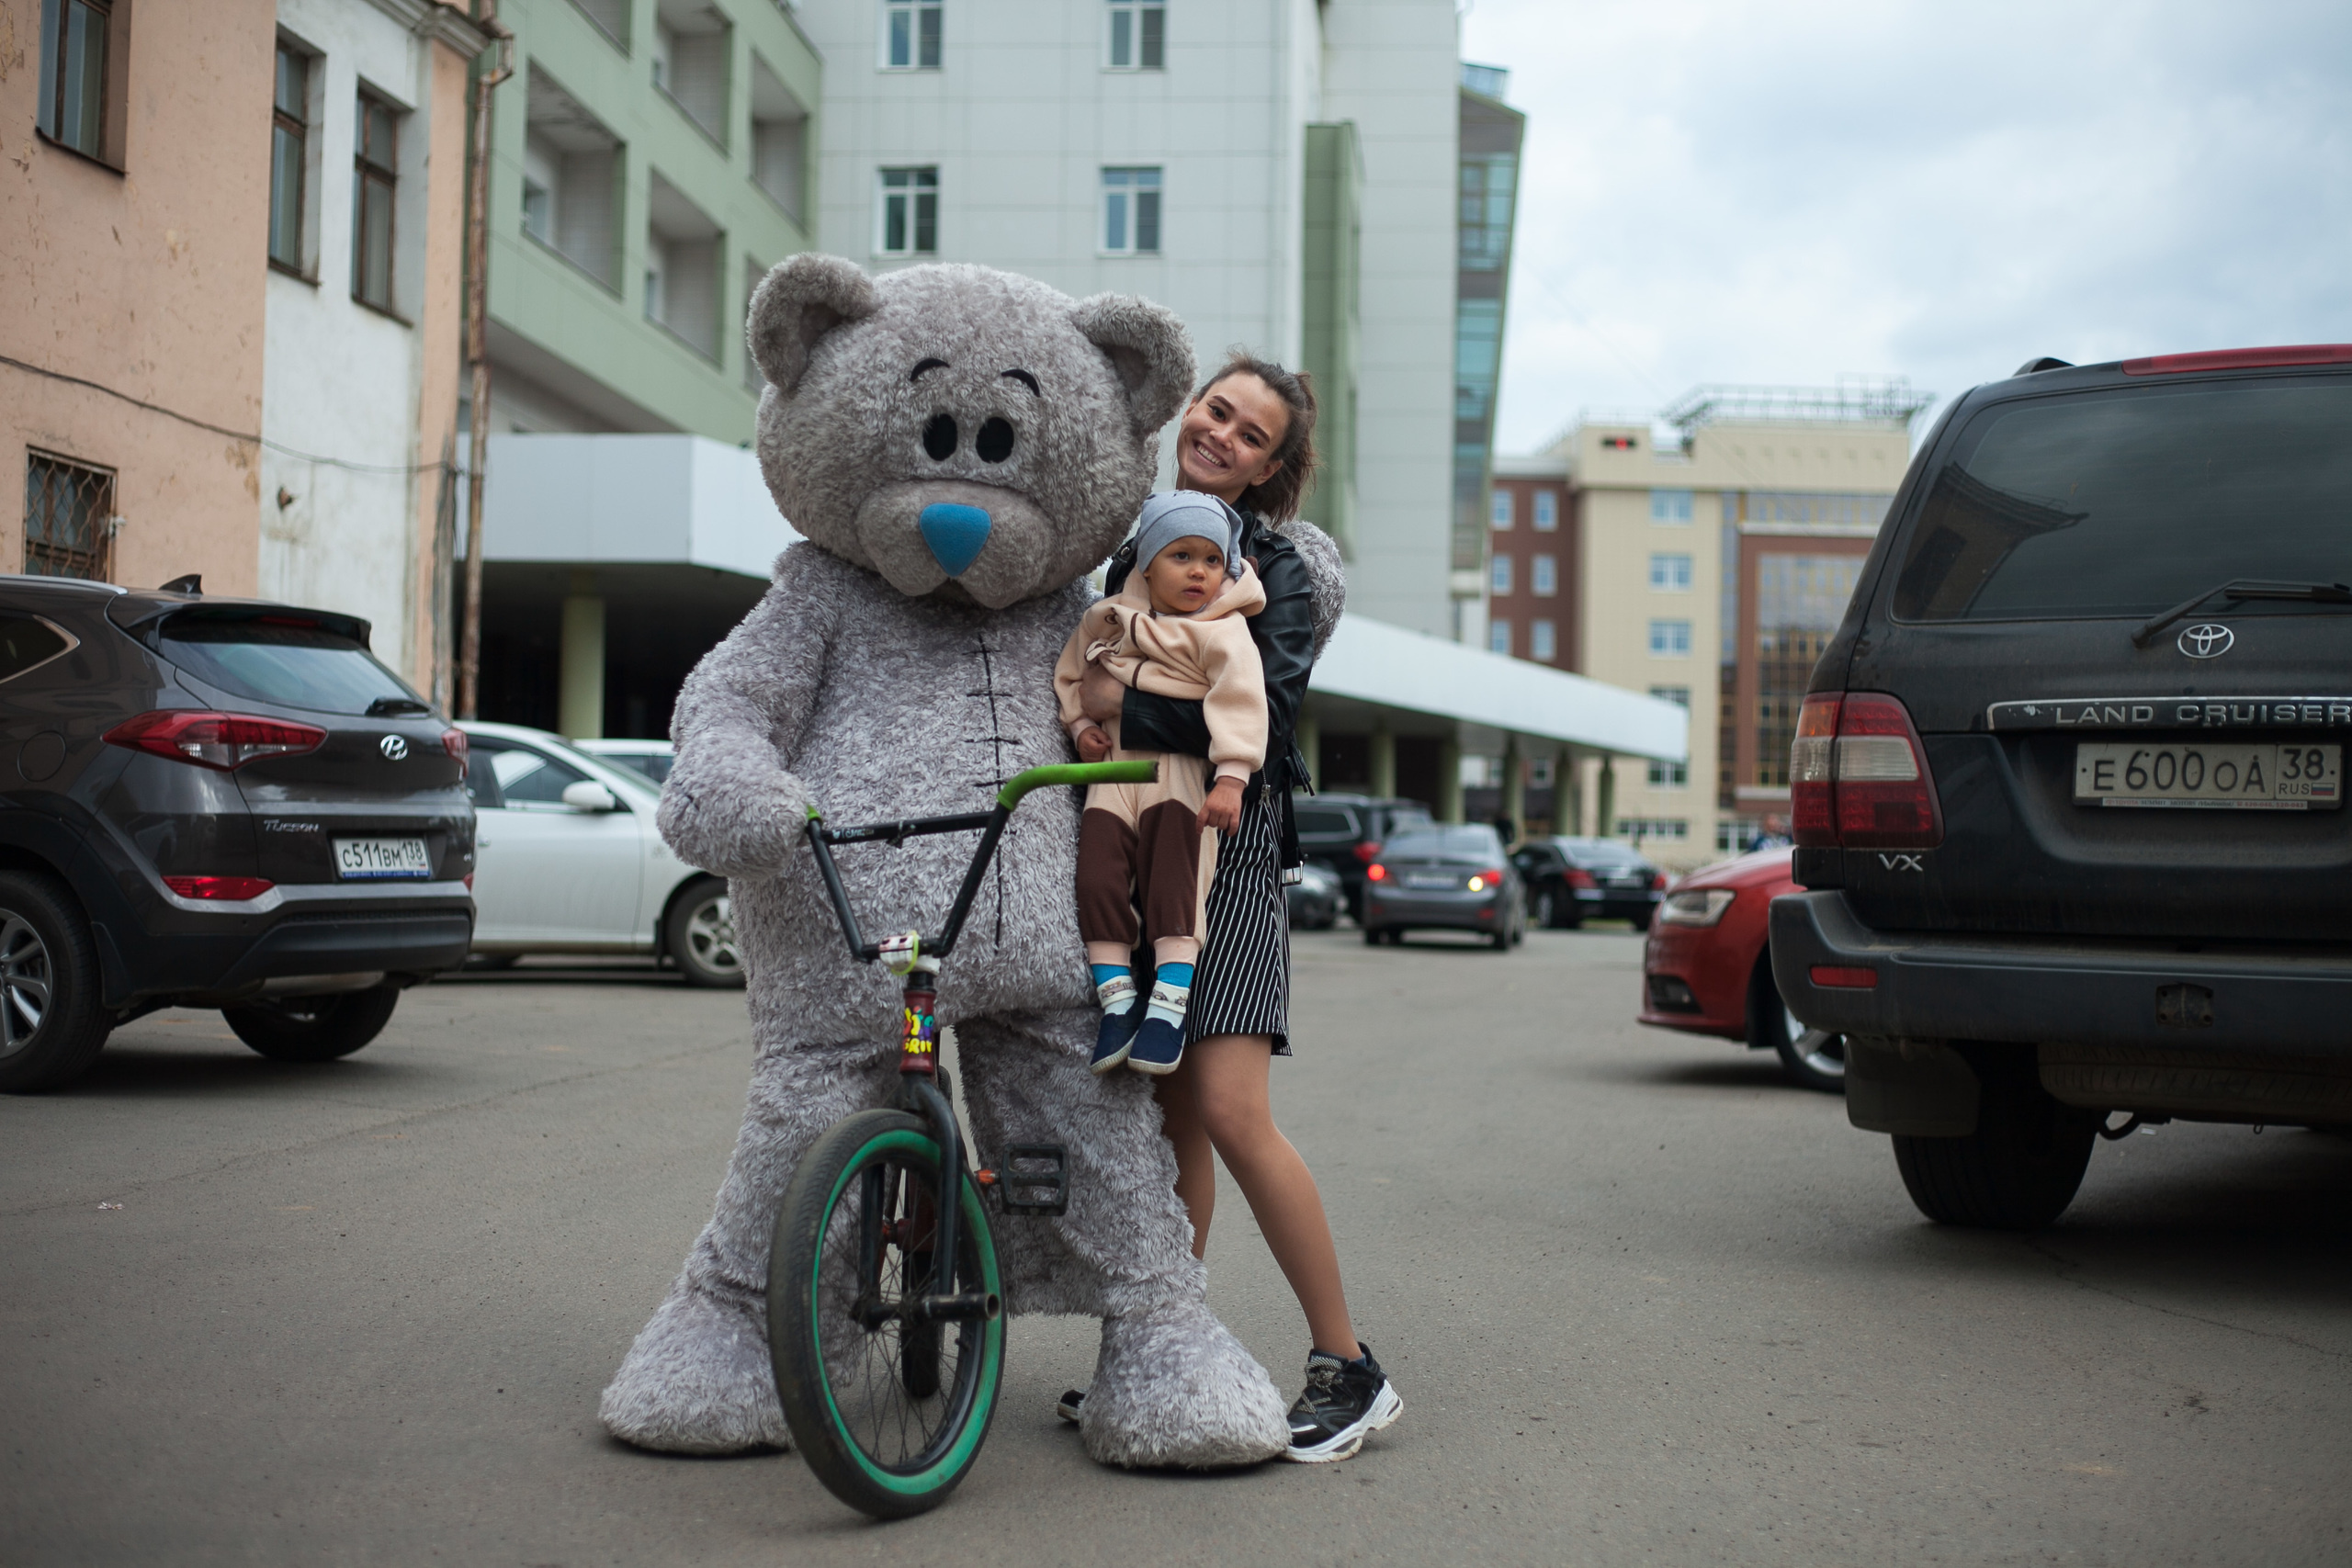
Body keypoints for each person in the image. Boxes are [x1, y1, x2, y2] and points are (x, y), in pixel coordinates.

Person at [1058, 354, 1402, 1463]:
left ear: (1270, 468)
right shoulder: (1126, 544)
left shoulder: (1281, 567)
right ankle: (1169, 1352)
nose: (1222, 434)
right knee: (1171, 1122)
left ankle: (1349, 1368)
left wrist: (1116, 694)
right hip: (1129, 830)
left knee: (1229, 1106)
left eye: (1251, 434)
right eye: (1217, 410)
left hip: (1228, 840)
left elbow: (1252, 701)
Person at [1055, 491, 1267, 1074]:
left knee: (1176, 880)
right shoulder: (1109, 618)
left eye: (1212, 560)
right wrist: (1079, 727)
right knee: (1096, 876)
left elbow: (1242, 704)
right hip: (1114, 771)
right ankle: (1118, 1001)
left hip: (1176, 772)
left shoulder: (1224, 633)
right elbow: (1071, 673)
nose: (1199, 571)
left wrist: (1230, 779)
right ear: (1146, 563)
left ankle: (1167, 1008)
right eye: (1181, 556)